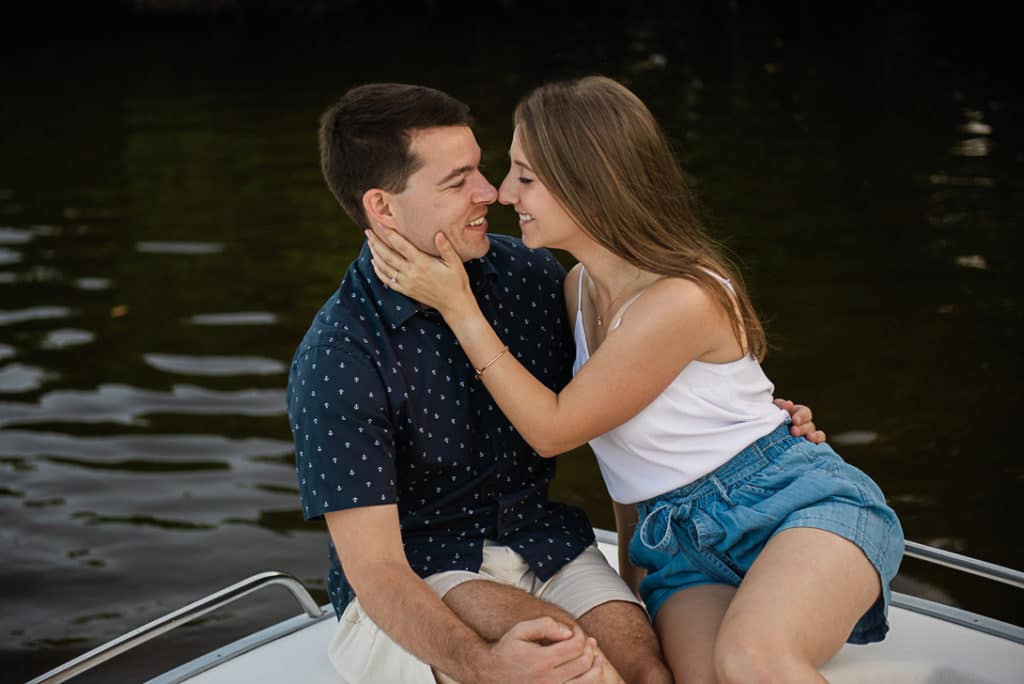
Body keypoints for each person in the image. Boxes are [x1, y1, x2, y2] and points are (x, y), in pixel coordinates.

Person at [367, 75, 904, 684]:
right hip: (678, 542)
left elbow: (553, 430)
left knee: (751, 662)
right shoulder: (573, 291)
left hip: (792, 508)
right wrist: (629, 585)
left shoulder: (681, 298)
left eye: (526, 176)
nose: (502, 191)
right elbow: (623, 457)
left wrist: (459, 307)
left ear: (589, 187)